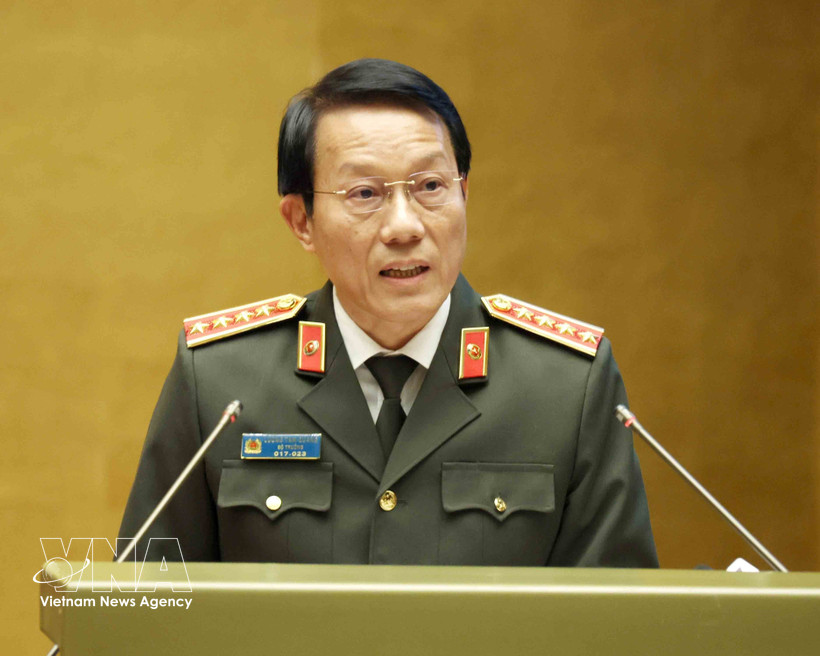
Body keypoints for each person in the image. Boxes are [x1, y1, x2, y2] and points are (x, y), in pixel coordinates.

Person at [118, 58, 658, 567]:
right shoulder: (219, 381)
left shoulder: (567, 386)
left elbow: (618, 623)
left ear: (464, 194)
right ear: (301, 220)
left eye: (430, 187)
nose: (405, 227)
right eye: (365, 193)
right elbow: (143, 604)